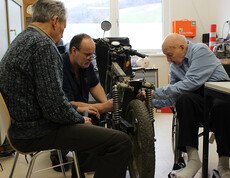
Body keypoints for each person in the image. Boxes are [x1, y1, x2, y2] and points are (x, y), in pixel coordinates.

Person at [0, 1, 131, 178]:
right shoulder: (43, 45)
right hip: (34, 131)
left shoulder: (23, 38)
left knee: (92, 128)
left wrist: (78, 112)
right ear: (55, 21)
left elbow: (51, 101)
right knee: (120, 142)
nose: (62, 34)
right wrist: (78, 117)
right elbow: (54, 107)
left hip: (20, 128)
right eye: (62, 28)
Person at [137, 33, 230, 178]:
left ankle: (224, 164)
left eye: (169, 55)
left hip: (218, 93)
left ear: (182, 47)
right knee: (184, 100)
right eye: (166, 56)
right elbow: (172, 96)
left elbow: (190, 83)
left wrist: (155, 92)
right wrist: (149, 100)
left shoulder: (200, 51)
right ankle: (193, 161)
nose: (168, 60)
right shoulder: (175, 67)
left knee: (221, 106)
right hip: (199, 98)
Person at [51, 34, 113, 175]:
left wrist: (106, 104)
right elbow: (69, 104)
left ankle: (87, 158)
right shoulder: (60, 67)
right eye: (87, 54)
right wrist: (103, 107)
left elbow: (95, 86)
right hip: (66, 112)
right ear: (74, 51)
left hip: (80, 107)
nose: (91, 58)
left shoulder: (86, 64)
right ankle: (57, 154)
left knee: (99, 113)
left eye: (92, 54)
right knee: (92, 115)